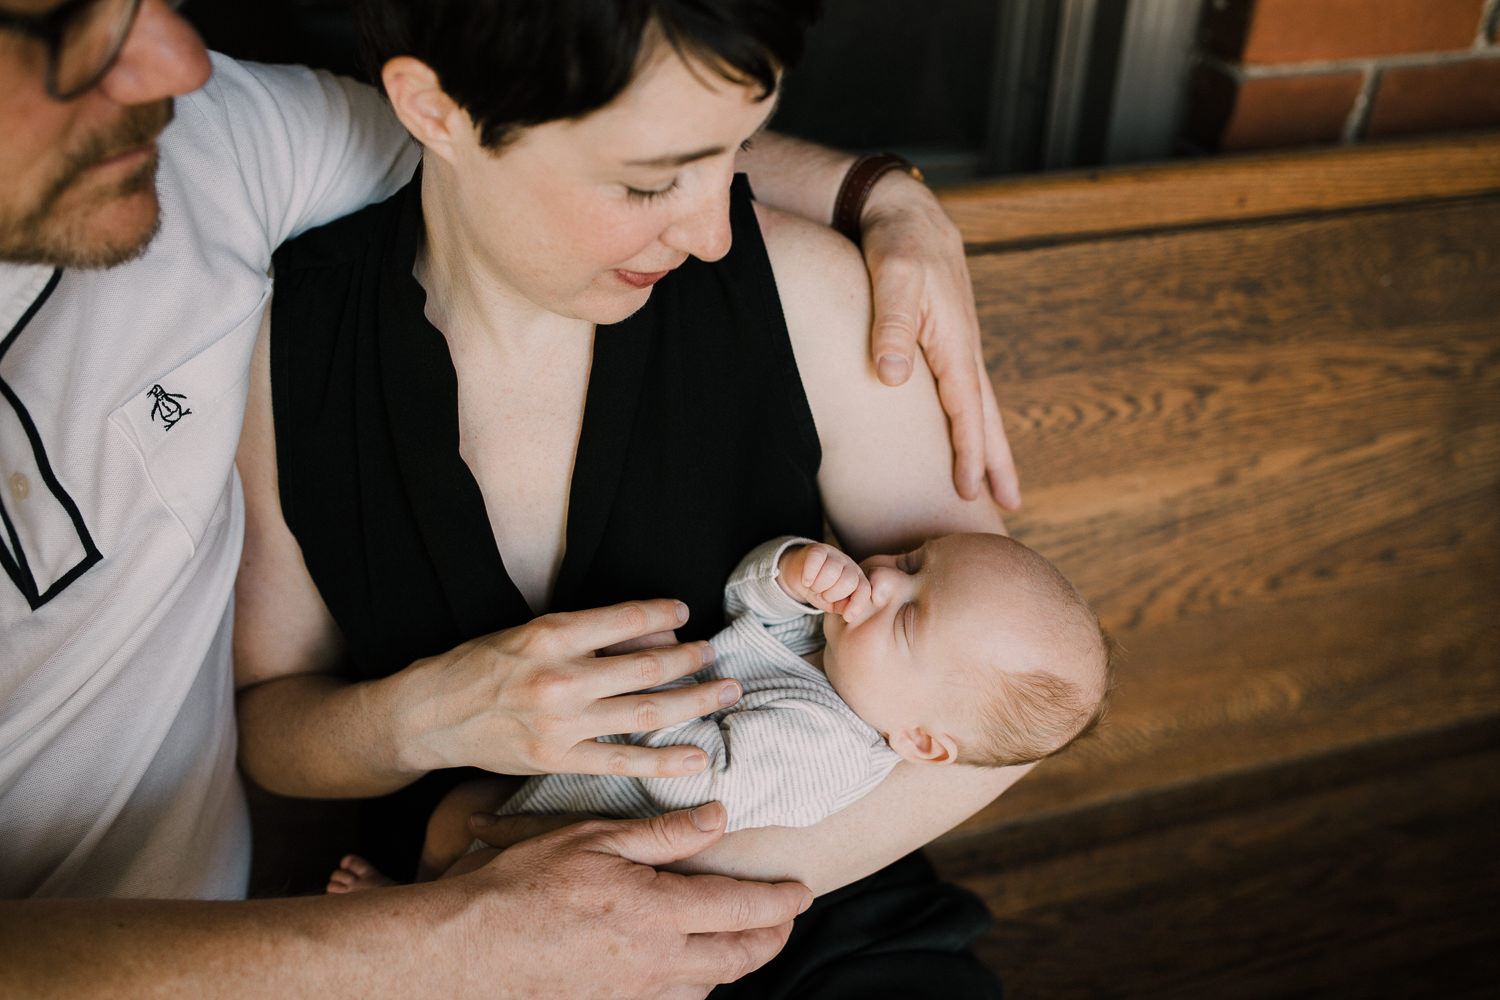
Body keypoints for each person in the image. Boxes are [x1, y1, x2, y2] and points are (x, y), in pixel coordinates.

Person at [0, 0, 1022, 996]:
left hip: (815, 921)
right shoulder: (293, 342)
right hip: (450, 932)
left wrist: (665, 902)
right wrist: (431, 719)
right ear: (436, 114)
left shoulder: (818, 298)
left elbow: (1018, 699)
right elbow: (275, 735)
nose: (717, 229)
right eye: (649, 182)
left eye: (740, 149)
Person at [327, 532, 1111, 890]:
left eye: (908, 616)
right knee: (455, 821)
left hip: (594, 841)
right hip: (564, 786)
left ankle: (416, 938)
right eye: (911, 563)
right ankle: (413, 903)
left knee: (490, 881)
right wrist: (793, 570)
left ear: (922, 740)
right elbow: (748, 604)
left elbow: (695, 783)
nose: (882, 581)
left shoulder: (829, 749)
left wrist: (646, 683)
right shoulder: (829, 642)